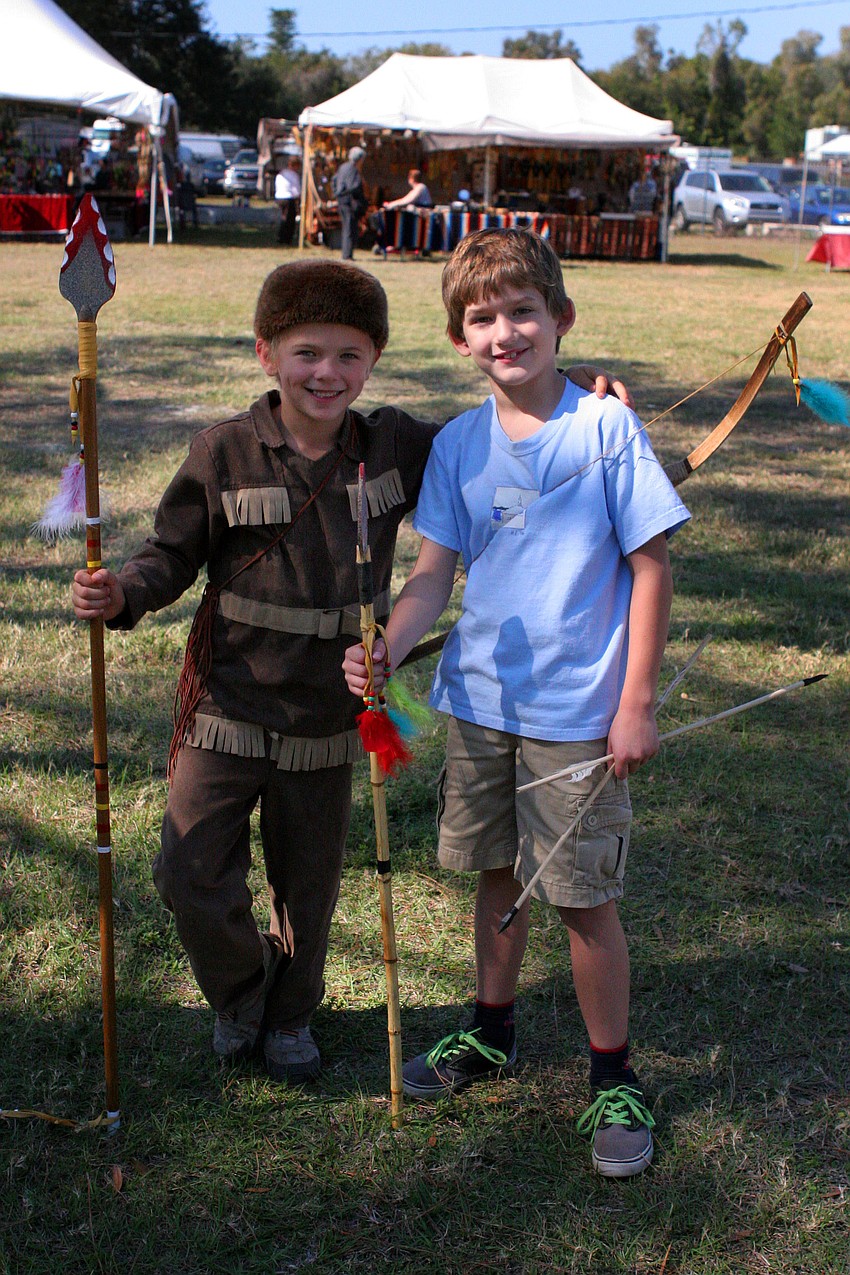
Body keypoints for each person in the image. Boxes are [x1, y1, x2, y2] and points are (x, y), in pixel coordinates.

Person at [70, 256, 631, 1086]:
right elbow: (170, 553)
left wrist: (576, 384)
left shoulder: (397, 445)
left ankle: (292, 1017)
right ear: (267, 353)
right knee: (187, 873)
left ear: (372, 362)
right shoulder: (222, 451)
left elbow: (503, 426)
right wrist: (123, 592)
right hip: (227, 705)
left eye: (347, 356)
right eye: (306, 353)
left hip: (334, 718)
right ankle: (242, 994)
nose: (326, 373)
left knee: (312, 885)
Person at [343, 228, 690, 1179]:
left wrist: (637, 702)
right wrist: (390, 646)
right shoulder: (458, 444)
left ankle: (613, 1074)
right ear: (460, 338)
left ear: (561, 319)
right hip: (480, 704)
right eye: (482, 317)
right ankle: (490, 1030)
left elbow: (650, 565)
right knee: (497, 871)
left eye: (522, 311)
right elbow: (433, 572)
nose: (505, 331)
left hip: (580, 713)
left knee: (582, 897)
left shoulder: (609, 428)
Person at [331, 145, 368, 259]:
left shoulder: (343, 167)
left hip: (342, 201)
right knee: (349, 228)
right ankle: (347, 255)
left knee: (347, 227)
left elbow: (334, 179)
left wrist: (336, 192)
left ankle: (347, 253)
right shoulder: (353, 169)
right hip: (349, 201)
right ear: (359, 159)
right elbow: (354, 186)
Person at [274, 155, 302, 246]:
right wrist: (299, 196)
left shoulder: (281, 173)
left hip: (279, 196)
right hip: (288, 198)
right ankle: (286, 238)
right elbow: (296, 189)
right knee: (289, 220)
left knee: (284, 218)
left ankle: (281, 236)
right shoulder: (293, 175)